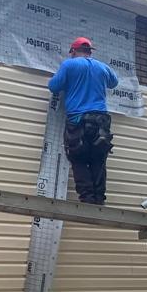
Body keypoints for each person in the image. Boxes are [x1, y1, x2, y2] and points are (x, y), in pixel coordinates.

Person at [47, 37, 118, 204]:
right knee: (98, 159)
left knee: (78, 157)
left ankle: (87, 198)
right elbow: (114, 83)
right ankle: (99, 199)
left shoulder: (69, 65)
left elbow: (54, 86)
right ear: (90, 52)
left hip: (78, 120)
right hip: (101, 121)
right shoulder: (102, 67)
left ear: (73, 51)